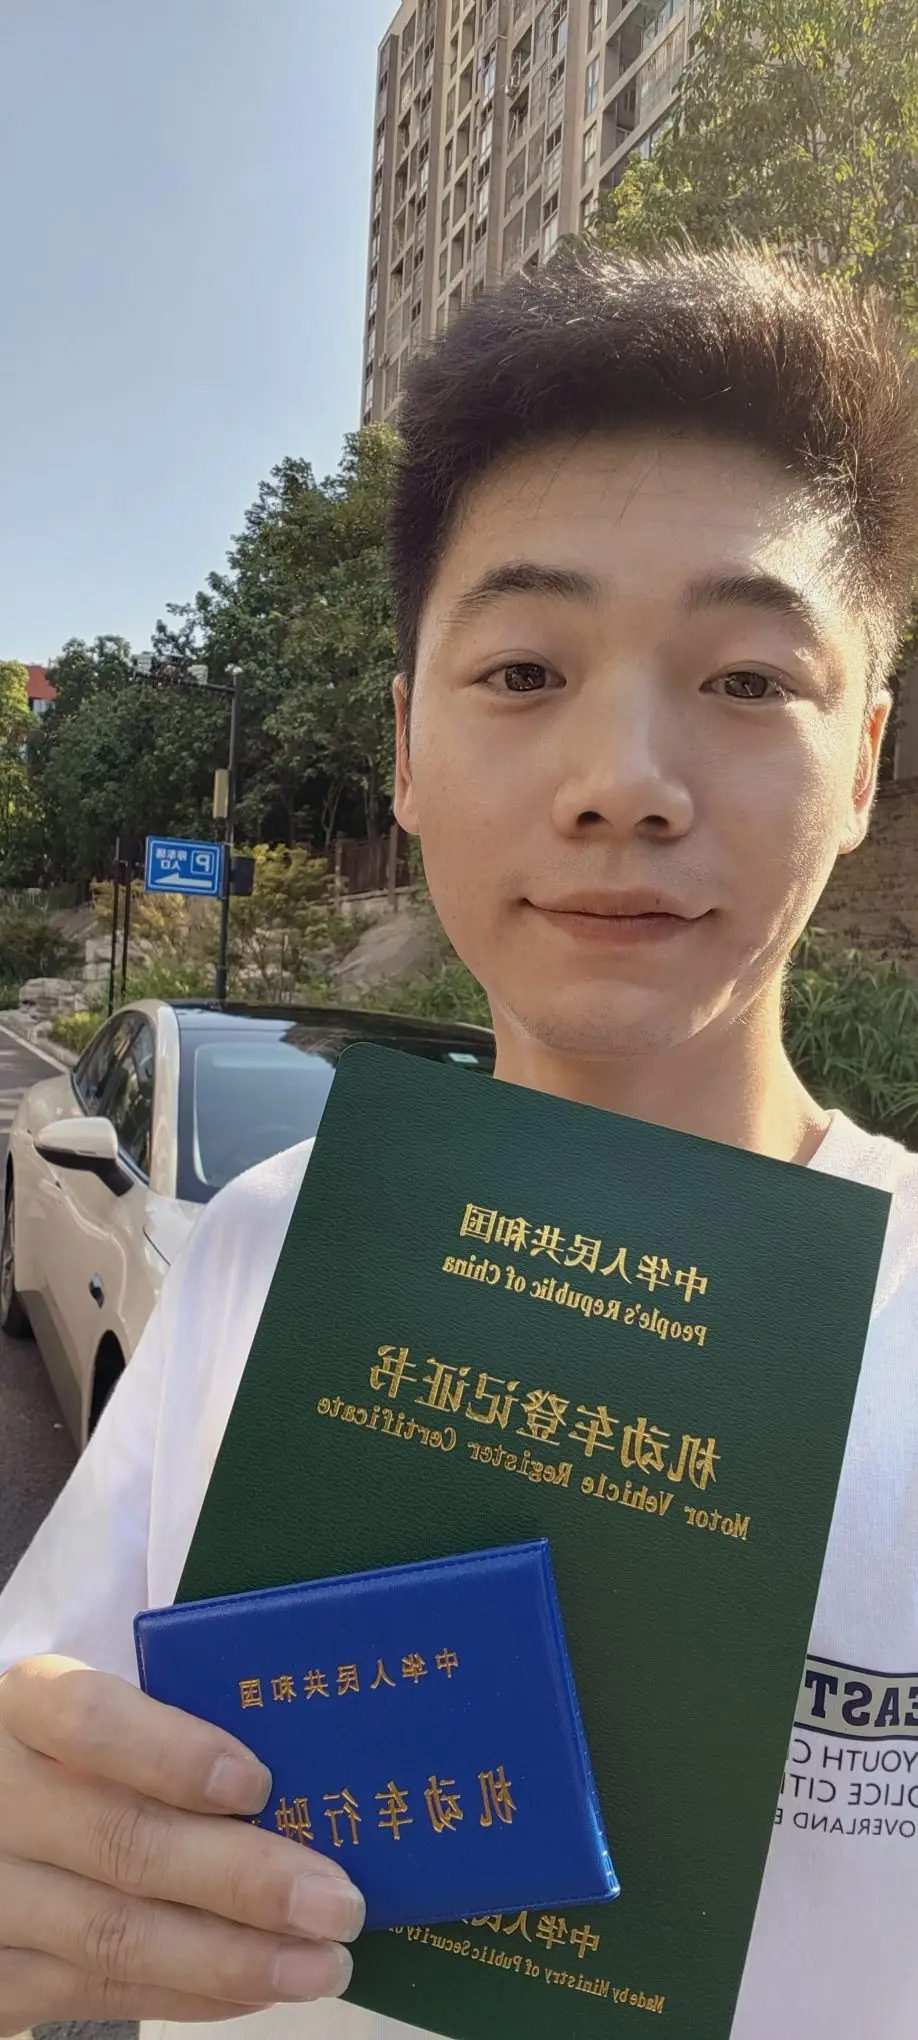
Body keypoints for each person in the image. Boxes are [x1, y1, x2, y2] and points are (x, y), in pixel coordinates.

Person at [1, 239, 918, 2040]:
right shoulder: (268, 1240)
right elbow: (55, 1710)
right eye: (521, 668)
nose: (622, 782)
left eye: (746, 680)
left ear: (865, 763)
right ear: (407, 749)